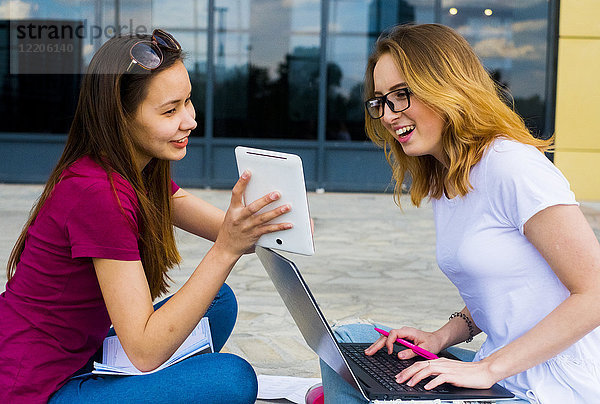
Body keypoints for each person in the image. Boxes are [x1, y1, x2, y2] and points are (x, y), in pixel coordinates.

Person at [0, 30, 292, 403]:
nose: (190, 121)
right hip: (37, 386)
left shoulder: (137, 169)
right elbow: (144, 349)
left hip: (79, 353)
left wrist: (282, 222)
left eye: (188, 102)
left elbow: (227, 228)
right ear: (120, 117)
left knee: (219, 301)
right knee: (232, 379)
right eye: (170, 111)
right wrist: (225, 250)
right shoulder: (97, 192)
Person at [319, 23, 600, 404]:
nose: (387, 114)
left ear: (448, 87)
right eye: (381, 101)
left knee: (359, 383)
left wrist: (486, 370)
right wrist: (443, 336)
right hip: (503, 369)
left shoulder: (511, 165)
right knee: (348, 342)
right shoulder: (448, 176)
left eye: (402, 95)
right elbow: (506, 286)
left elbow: (595, 292)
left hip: (552, 383)